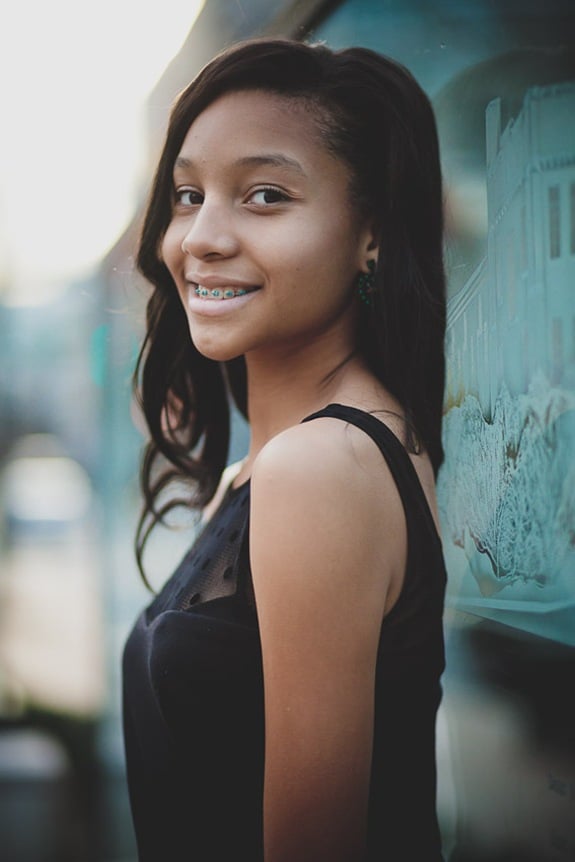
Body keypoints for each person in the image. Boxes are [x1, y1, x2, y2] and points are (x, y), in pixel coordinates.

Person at [122, 37, 447, 862]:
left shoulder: (319, 467)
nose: (200, 237)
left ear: (369, 234)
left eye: (264, 195)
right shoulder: (288, 460)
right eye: (188, 194)